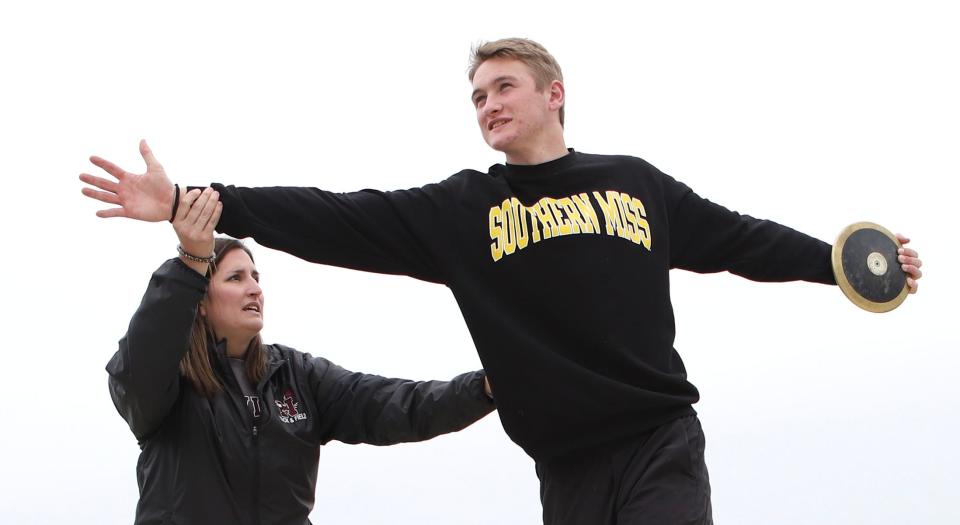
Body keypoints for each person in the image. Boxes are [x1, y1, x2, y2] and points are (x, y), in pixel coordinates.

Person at [81, 38, 923, 525]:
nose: (486, 104)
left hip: (657, 439)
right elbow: (336, 214)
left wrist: (844, 261)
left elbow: (742, 238)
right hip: (564, 469)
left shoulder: (636, 183)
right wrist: (193, 199)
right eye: (476, 96)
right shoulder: (461, 210)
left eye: (503, 87)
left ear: (555, 94)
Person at [103, 186, 495, 525]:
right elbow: (137, 367)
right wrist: (190, 262)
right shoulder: (166, 387)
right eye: (236, 278)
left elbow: (399, 405)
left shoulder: (298, 376)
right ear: (200, 300)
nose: (255, 289)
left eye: (256, 278)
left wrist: (485, 387)